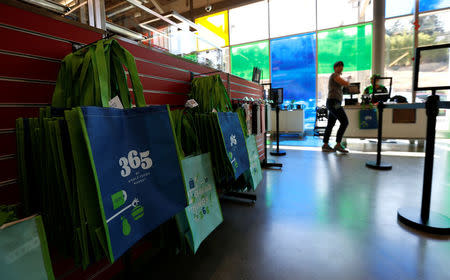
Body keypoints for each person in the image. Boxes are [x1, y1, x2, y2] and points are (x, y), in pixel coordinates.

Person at [322, 61, 350, 153]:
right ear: (335, 68)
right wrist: (348, 81)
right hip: (334, 102)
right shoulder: (334, 75)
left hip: (333, 102)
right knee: (344, 122)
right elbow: (345, 83)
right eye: (338, 66)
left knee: (330, 124)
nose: (341, 68)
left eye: (342, 66)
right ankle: (338, 144)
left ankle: (325, 144)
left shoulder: (337, 76)